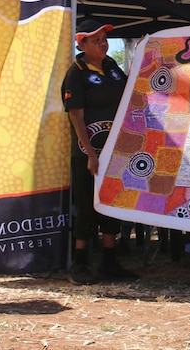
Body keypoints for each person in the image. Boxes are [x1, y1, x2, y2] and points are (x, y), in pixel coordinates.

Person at [61, 19, 138, 285]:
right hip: (87, 152)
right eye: (95, 39)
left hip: (115, 151)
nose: (102, 43)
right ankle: (80, 261)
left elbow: (131, 96)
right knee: (86, 204)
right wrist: (91, 156)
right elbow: (76, 117)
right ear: (80, 43)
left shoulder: (112, 68)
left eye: (104, 38)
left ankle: (109, 260)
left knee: (112, 202)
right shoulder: (76, 73)